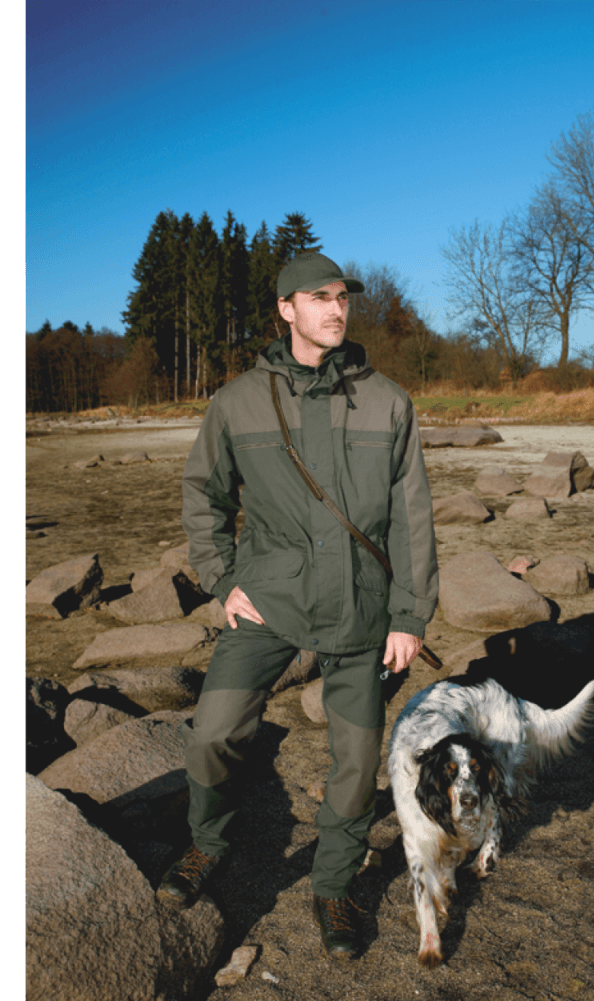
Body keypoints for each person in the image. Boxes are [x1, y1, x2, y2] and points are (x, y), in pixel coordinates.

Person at [156, 252, 439, 959]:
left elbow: (411, 519)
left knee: (355, 759)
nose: (336, 308)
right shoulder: (237, 402)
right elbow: (205, 495)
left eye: (342, 297)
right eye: (320, 298)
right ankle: (207, 843)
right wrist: (222, 579)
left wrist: (409, 614)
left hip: (360, 609)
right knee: (213, 733)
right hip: (271, 603)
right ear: (286, 310)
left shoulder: (388, 402)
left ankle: (334, 886)